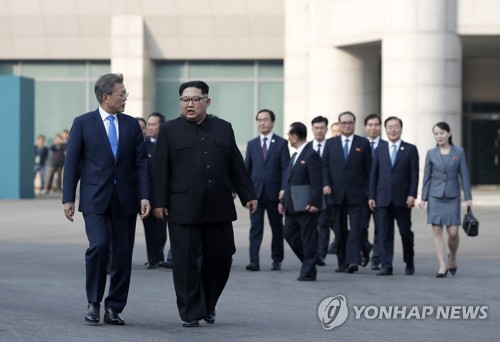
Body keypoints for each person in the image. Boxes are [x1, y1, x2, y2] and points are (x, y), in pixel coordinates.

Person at [152, 80, 257, 327]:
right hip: (182, 207)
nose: (189, 104)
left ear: (207, 101)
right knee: (185, 261)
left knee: (222, 255)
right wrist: (159, 201)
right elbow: (159, 170)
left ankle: (208, 304)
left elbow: (236, 164)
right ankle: (190, 311)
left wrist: (248, 194)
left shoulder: (222, 128)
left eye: (195, 99)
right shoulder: (169, 130)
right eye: (184, 100)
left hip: (218, 205)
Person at [62, 73, 151, 325]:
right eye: (122, 94)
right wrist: (68, 198)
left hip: (125, 198)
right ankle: (93, 302)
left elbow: (141, 163)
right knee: (99, 246)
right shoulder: (83, 123)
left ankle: (114, 307)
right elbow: (72, 163)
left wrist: (145, 196)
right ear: (106, 97)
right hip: (94, 198)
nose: (125, 98)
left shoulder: (132, 124)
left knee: (122, 254)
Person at [418, 122, 473, 278]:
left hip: (453, 196)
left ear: (449, 133)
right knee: (436, 231)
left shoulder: (459, 152)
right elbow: (427, 177)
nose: (439, 136)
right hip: (435, 196)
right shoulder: (431, 153)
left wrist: (468, 197)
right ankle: (442, 265)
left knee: (453, 232)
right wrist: (423, 197)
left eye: (442, 133)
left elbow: (464, 175)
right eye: (436, 133)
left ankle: (453, 257)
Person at [368, 116, 419, 276]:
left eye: (396, 127)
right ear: (386, 129)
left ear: (401, 129)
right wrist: (371, 196)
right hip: (382, 198)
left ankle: (409, 260)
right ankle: (386, 264)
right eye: (389, 127)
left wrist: (412, 194)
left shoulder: (410, 149)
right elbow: (373, 175)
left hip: (403, 199)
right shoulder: (380, 149)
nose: (393, 130)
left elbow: (414, 174)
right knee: (384, 233)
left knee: (405, 232)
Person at [322, 111, 371, 274]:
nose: (347, 125)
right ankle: (342, 262)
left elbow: (368, 170)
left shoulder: (363, 143)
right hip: (336, 195)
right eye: (344, 123)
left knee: (356, 229)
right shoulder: (330, 143)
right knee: (340, 230)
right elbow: (325, 168)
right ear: (339, 124)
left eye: (350, 122)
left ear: (355, 124)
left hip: (357, 195)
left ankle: (353, 261)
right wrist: (326, 184)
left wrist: (368, 193)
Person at [245, 109, 290, 272]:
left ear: (272, 122)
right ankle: (253, 261)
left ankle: (277, 259)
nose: (262, 123)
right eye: (259, 120)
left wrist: (284, 189)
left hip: (275, 193)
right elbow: (246, 171)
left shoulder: (281, 143)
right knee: (255, 228)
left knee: (277, 227)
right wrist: (246, 194)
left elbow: (286, 168)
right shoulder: (252, 144)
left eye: (265, 120)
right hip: (256, 194)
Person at [280, 122, 323, 281]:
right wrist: (283, 201)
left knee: (309, 238)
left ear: (294, 136)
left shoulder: (311, 155)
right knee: (289, 234)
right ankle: (309, 261)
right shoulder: (295, 155)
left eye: (289, 136)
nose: (288, 139)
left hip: (306, 206)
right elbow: (289, 182)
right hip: (292, 205)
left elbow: (317, 181)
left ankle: (309, 271)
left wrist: (315, 203)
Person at [142, 112, 170, 269]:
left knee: (161, 228)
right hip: (147, 194)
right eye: (149, 124)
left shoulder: (167, 143)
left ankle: (160, 256)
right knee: (149, 228)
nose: (150, 127)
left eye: (154, 124)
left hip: (164, 194)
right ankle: (153, 258)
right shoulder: (142, 144)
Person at [306, 116, 332, 266]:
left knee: (324, 224)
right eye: (316, 128)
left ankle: (320, 254)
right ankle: (312, 252)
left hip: (328, 192)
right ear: (312, 129)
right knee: (311, 225)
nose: (319, 131)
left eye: (322, 128)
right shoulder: (307, 147)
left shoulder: (332, 146)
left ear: (326, 129)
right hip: (310, 192)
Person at [361, 113, 382, 269]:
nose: (373, 128)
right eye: (370, 125)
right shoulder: (360, 145)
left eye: (376, 125)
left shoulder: (386, 146)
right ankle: (364, 249)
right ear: (365, 127)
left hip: (381, 194)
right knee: (360, 227)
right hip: (362, 194)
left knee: (380, 228)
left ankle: (377, 258)